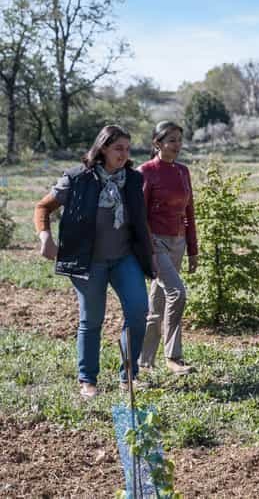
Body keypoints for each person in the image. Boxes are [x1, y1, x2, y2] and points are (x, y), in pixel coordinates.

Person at [33, 125, 155, 399]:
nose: (124, 154)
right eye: (118, 148)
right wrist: (45, 237)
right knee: (92, 320)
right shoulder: (77, 179)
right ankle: (88, 380)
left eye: (127, 148)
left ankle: (129, 376)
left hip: (124, 258)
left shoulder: (133, 180)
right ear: (102, 149)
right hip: (88, 262)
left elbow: (139, 220)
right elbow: (43, 207)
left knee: (138, 312)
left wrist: (151, 253)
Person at [138, 121, 198, 375]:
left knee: (158, 302)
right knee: (177, 293)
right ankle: (173, 357)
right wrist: (149, 247)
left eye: (179, 140)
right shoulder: (146, 171)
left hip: (178, 242)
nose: (177, 145)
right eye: (171, 140)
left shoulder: (183, 171)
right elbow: (139, 215)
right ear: (157, 143)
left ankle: (144, 360)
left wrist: (193, 249)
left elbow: (189, 212)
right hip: (156, 243)